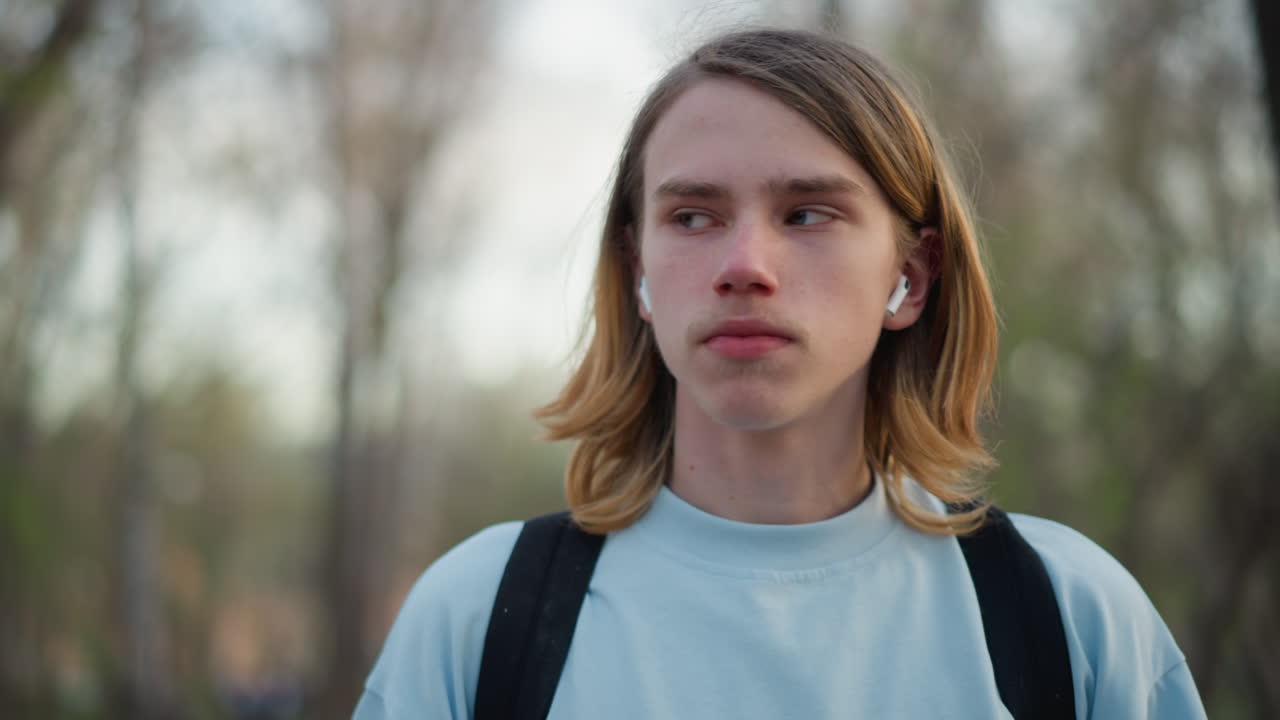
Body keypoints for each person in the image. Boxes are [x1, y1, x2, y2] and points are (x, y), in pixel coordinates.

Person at [352, 28, 1206, 719]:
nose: (745, 265)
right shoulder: (479, 620)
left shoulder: (1070, 618)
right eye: (692, 215)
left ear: (912, 276)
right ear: (637, 270)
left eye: (806, 213)